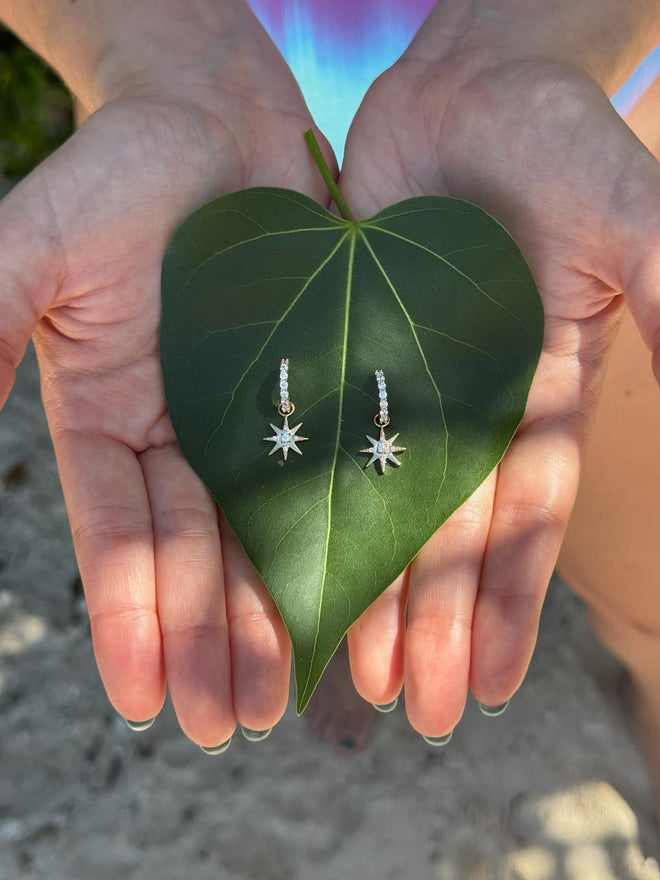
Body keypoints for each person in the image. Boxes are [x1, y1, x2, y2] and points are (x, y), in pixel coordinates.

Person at [0, 0, 658, 788]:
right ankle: (326, 613)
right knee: (320, 557)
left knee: (638, 581)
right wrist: (146, 40)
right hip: (187, 119)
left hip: (564, 121)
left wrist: (551, 32)